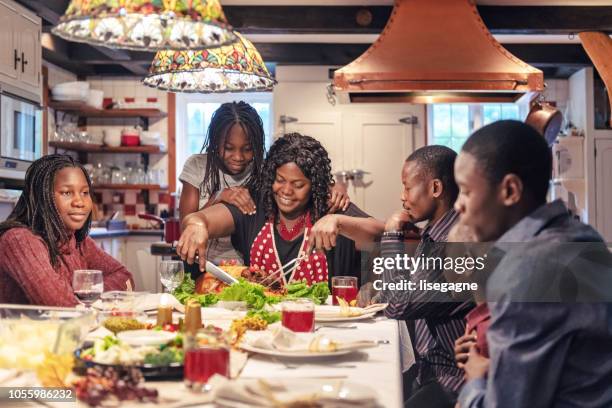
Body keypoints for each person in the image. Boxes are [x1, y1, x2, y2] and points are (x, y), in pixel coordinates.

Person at [453, 120, 612, 407]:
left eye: (465, 191)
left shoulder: (527, 270)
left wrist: (476, 379)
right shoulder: (582, 236)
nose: (458, 205)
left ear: (510, 190)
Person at [177, 133, 384, 286]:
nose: (286, 191)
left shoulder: (330, 207)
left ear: (315, 186)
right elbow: (199, 218)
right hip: (263, 330)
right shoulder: (254, 206)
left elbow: (383, 233)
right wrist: (196, 225)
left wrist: (340, 222)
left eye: (298, 185)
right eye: (280, 180)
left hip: (323, 331)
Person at [179, 101, 350, 266]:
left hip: (240, 266)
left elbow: (308, 179)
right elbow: (186, 225)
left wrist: (336, 186)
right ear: (216, 142)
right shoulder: (197, 166)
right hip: (201, 262)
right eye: (229, 148)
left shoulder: (264, 169)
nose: (238, 157)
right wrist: (219, 196)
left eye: (247, 149)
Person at [371, 145, 473, 407]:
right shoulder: (433, 234)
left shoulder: (457, 242)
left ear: (435, 189)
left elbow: (396, 304)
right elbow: (398, 293)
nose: (403, 197)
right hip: (428, 371)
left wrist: (392, 233)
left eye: (407, 187)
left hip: (455, 380)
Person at [0, 155, 134, 307]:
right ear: (42, 196)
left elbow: (125, 277)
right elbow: (58, 305)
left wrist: (87, 296)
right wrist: (90, 298)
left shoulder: (77, 240)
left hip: (75, 328)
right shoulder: (19, 240)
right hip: (29, 330)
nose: (79, 202)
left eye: (85, 192)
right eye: (66, 193)